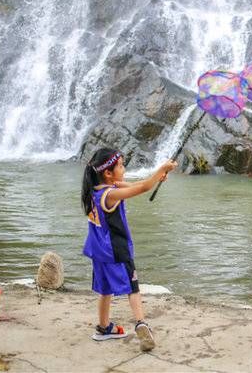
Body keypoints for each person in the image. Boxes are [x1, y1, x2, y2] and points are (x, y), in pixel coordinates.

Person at [81, 148, 177, 351]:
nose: (124, 168)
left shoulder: (95, 190)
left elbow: (138, 185)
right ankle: (141, 322)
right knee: (133, 287)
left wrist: (158, 177)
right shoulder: (111, 194)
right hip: (117, 250)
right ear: (108, 172)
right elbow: (142, 187)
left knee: (105, 289)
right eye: (122, 165)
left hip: (98, 251)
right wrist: (161, 169)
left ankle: (104, 327)